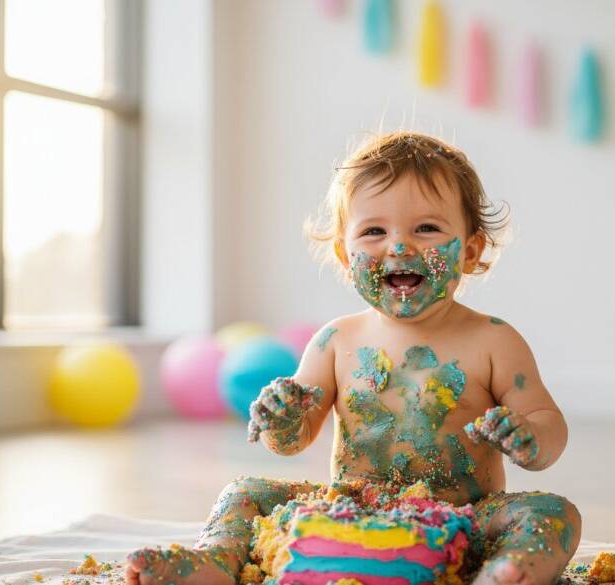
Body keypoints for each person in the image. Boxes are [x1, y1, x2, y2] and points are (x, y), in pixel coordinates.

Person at [126, 131, 581, 585]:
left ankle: (505, 575)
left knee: (554, 513)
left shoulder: (494, 341)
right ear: (346, 255)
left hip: (465, 520)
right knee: (244, 492)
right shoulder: (336, 341)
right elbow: (293, 442)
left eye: (426, 228)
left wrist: (529, 438)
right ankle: (216, 562)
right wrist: (283, 420)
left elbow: (547, 424)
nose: (399, 247)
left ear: (470, 250)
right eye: (374, 231)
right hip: (350, 511)